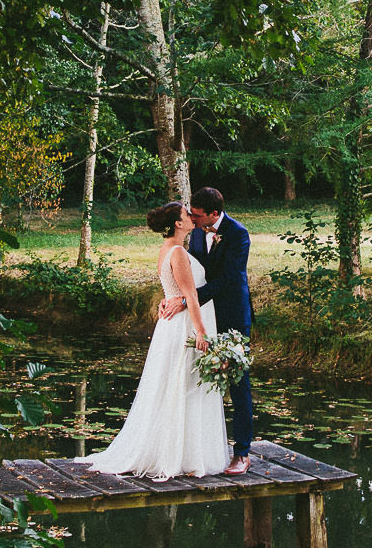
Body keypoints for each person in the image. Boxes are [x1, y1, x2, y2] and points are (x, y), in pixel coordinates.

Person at [75, 201, 232, 480]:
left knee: (176, 386)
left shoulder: (167, 250)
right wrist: (202, 333)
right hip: (183, 327)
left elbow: (174, 291)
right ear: (178, 224)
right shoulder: (178, 253)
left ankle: (183, 450)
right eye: (186, 215)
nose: (191, 217)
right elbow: (191, 296)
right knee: (182, 386)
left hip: (171, 326)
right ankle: (178, 454)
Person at [181, 185, 254, 474]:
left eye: (197, 215)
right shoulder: (198, 232)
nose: (192, 219)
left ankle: (242, 453)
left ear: (214, 214)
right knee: (196, 380)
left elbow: (227, 279)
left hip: (232, 316)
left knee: (239, 384)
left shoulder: (238, 234)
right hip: (203, 318)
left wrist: (189, 300)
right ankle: (197, 450)